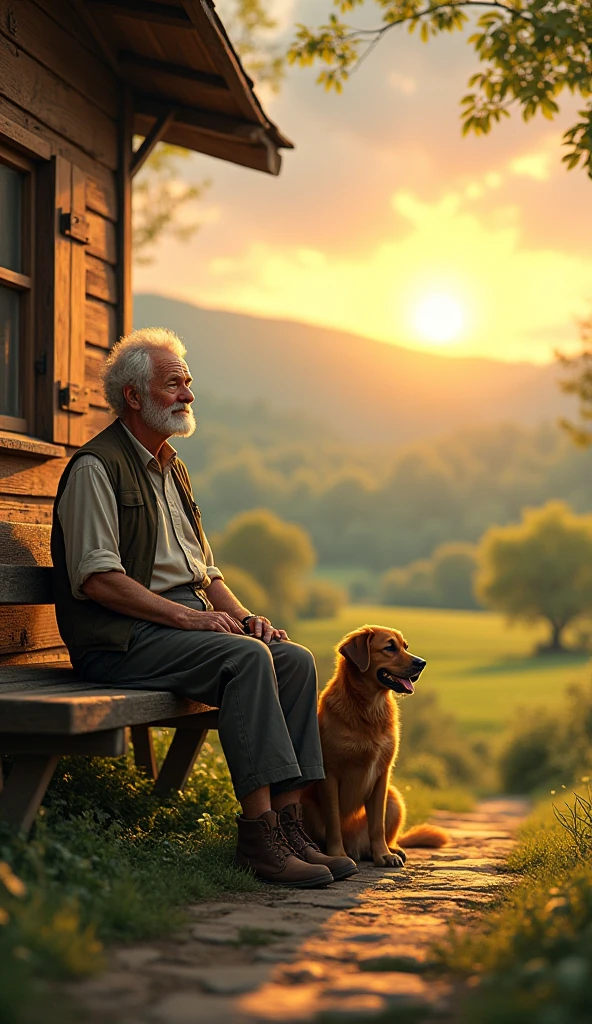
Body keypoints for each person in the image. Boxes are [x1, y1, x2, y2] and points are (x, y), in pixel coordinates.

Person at [51, 327, 357, 889]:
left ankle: (292, 827)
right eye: (174, 384)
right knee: (245, 659)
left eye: (188, 383)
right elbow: (98, 580)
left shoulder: (172, 467)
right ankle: (259, 839)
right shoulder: (96, 467)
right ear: (134, 397)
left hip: (176, 630)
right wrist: (192, 619)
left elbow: (205, 573)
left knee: (290, 659)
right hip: (120, 639)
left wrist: (246, 620)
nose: (188, 395)